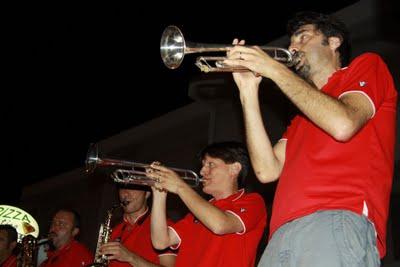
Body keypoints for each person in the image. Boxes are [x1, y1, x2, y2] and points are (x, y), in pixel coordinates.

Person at [224, 11, 398, 266]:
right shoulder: (302, 117)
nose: (293, 47)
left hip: (335, 220)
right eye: (292, 42)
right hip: (280, 235)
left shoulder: (367, 65)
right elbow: (266, 170)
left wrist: (273, 69)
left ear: (334, 42)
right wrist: (247, 91)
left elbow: (343, 123)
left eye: (303, 37)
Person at [150, 141, 267, 267]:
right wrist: (159, 194)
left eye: (211, 164)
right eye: (203, 165)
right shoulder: (198, 211)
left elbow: (220, 225)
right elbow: (161, 241)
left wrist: (180, 186)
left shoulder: (253, 201)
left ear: (235, 169)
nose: (201, 171)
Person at [99, 185, 176, 267]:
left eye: (133, 187)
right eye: (122, 187)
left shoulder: (164, 227)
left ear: (147, 194)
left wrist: (130, 257)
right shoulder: (114, 230)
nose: (125, 194)